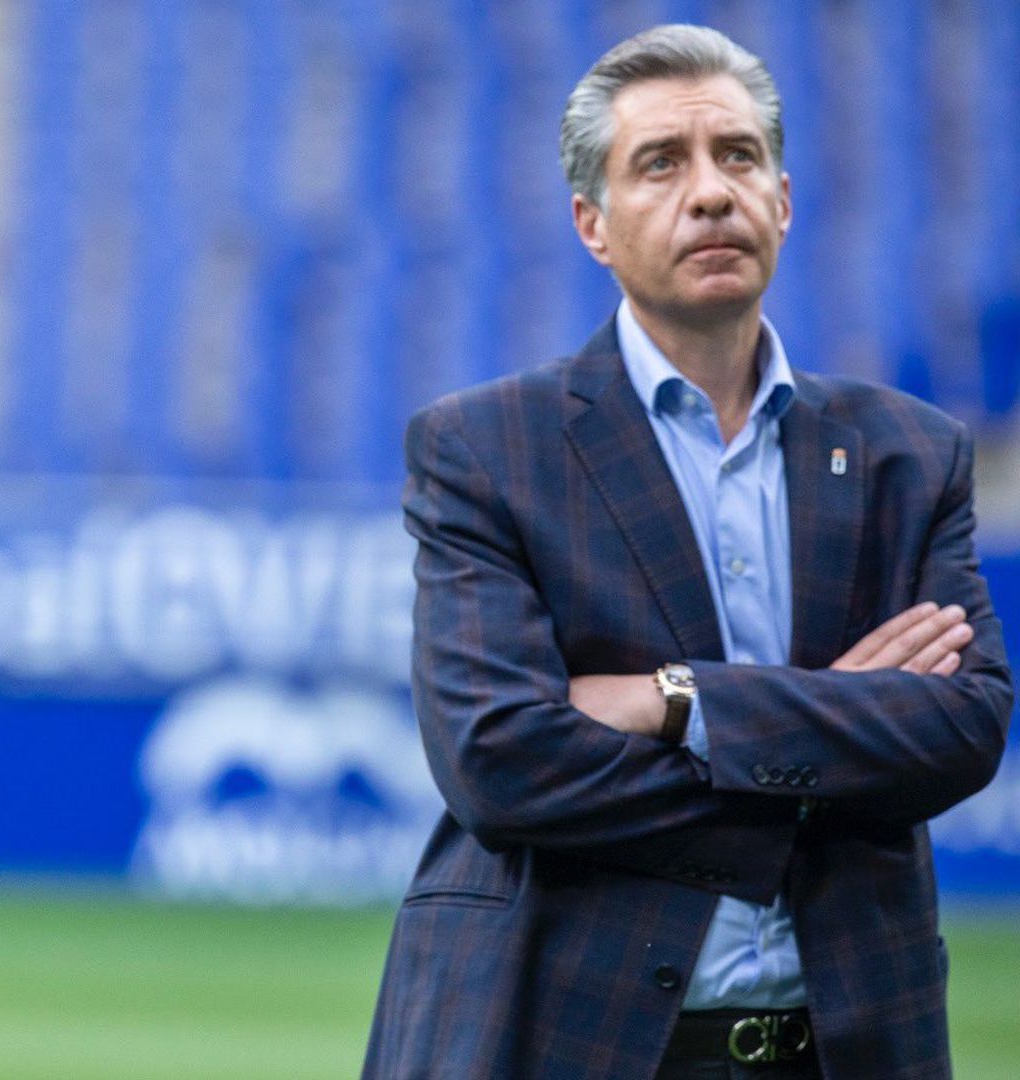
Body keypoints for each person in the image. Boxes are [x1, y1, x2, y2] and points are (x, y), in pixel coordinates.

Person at [362, 24, 1011, 1080]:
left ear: (786, 202)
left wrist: (678, 702)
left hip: (850, 1046)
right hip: (567, 1040)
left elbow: (965, 724)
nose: (711, 192)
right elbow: (502, 764)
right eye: (661, 163)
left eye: (739, 156)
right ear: (593, 225)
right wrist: (823, 744)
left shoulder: (907, 452)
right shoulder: (485, 449)